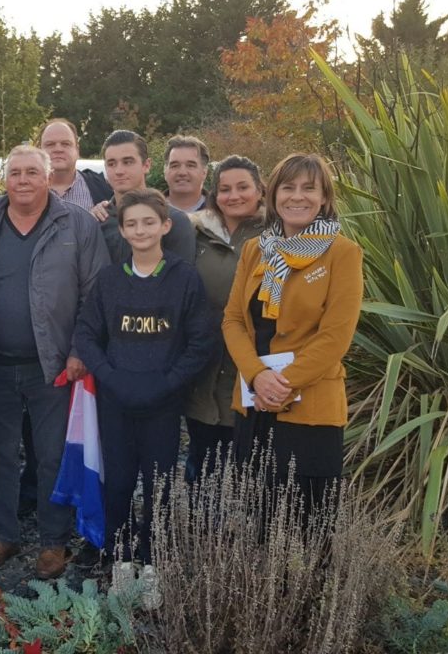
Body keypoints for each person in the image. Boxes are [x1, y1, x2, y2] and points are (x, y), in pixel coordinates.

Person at [0, 145, 110, 580]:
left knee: (52, 455)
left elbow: (94, 294)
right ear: (4, 178)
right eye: (15, 172)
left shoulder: (76, 223)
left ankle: (52, 542)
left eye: (32, 172)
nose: (22, 180)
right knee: (0, 455)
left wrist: (81, 349)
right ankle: (4, 534)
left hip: (56, 366)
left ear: (48, 177)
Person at [74, 188, 212, 561]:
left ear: (165, 225)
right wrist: (110, 376)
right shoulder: (109, 280)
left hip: (162, 403)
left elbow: (201, 342)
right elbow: (85, 334)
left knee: (159, 486)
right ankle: (118, 559)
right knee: (117, 483)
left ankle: (152, 561)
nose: (141, 230)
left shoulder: (184, 279)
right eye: (131, 223)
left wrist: (167, 382)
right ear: (121, 230)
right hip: (116, 400)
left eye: (149, 222)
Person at [222, 153, 363, 508]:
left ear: (325, 199)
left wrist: (282, 383)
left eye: (308, 188)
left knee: (307, 529)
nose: (297, 196)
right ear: (273, 196)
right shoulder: (255, 251)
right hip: (255, 403)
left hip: (310, 409)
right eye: (288, 187)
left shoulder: (342, 254)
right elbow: (234, 321)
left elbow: (335, 337)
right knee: (258, 520)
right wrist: (257, 376)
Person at [184, 156, 266, 482]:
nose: (233, 196)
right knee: (201, 460)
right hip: (203, 366)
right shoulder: (195, 232)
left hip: (252, 365)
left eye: (242, 187)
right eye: (225, 189)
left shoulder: (277, 235)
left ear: (260, 190)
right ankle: (200, 530)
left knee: (248, 463)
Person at [92, 130, 195, 264]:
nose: (119, 171)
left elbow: (183, 279)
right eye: (111, 164)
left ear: (146, 165)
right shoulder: (97, 221)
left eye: (127, 162)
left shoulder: (175, 221)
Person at [39, 118, 112, 210]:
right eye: (50, 144)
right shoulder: (23, 190)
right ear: (39, 151)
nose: (58, 149)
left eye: (65, 144)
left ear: (77, 150)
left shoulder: (102, 188)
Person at [163, 135, 210, 212]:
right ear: (165, 171)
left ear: (204, 172)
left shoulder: (222, 212)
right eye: (175, 166)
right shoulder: (148, 210)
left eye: (190, 165)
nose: (182, 172)